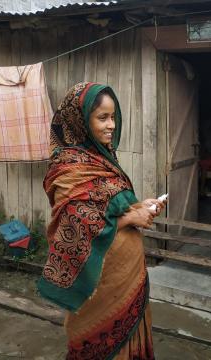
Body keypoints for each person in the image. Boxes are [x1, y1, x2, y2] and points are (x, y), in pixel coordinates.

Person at [38, 82, 164, 360]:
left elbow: (108, 208)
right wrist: (132, 216)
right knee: (99, 344)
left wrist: (141, 206)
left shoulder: (102, 159)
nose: (111, 126)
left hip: (128, 276)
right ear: (80, 121)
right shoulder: (68, 166)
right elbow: (73, 226)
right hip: (99, 282)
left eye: (114, 117)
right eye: (102, 118)